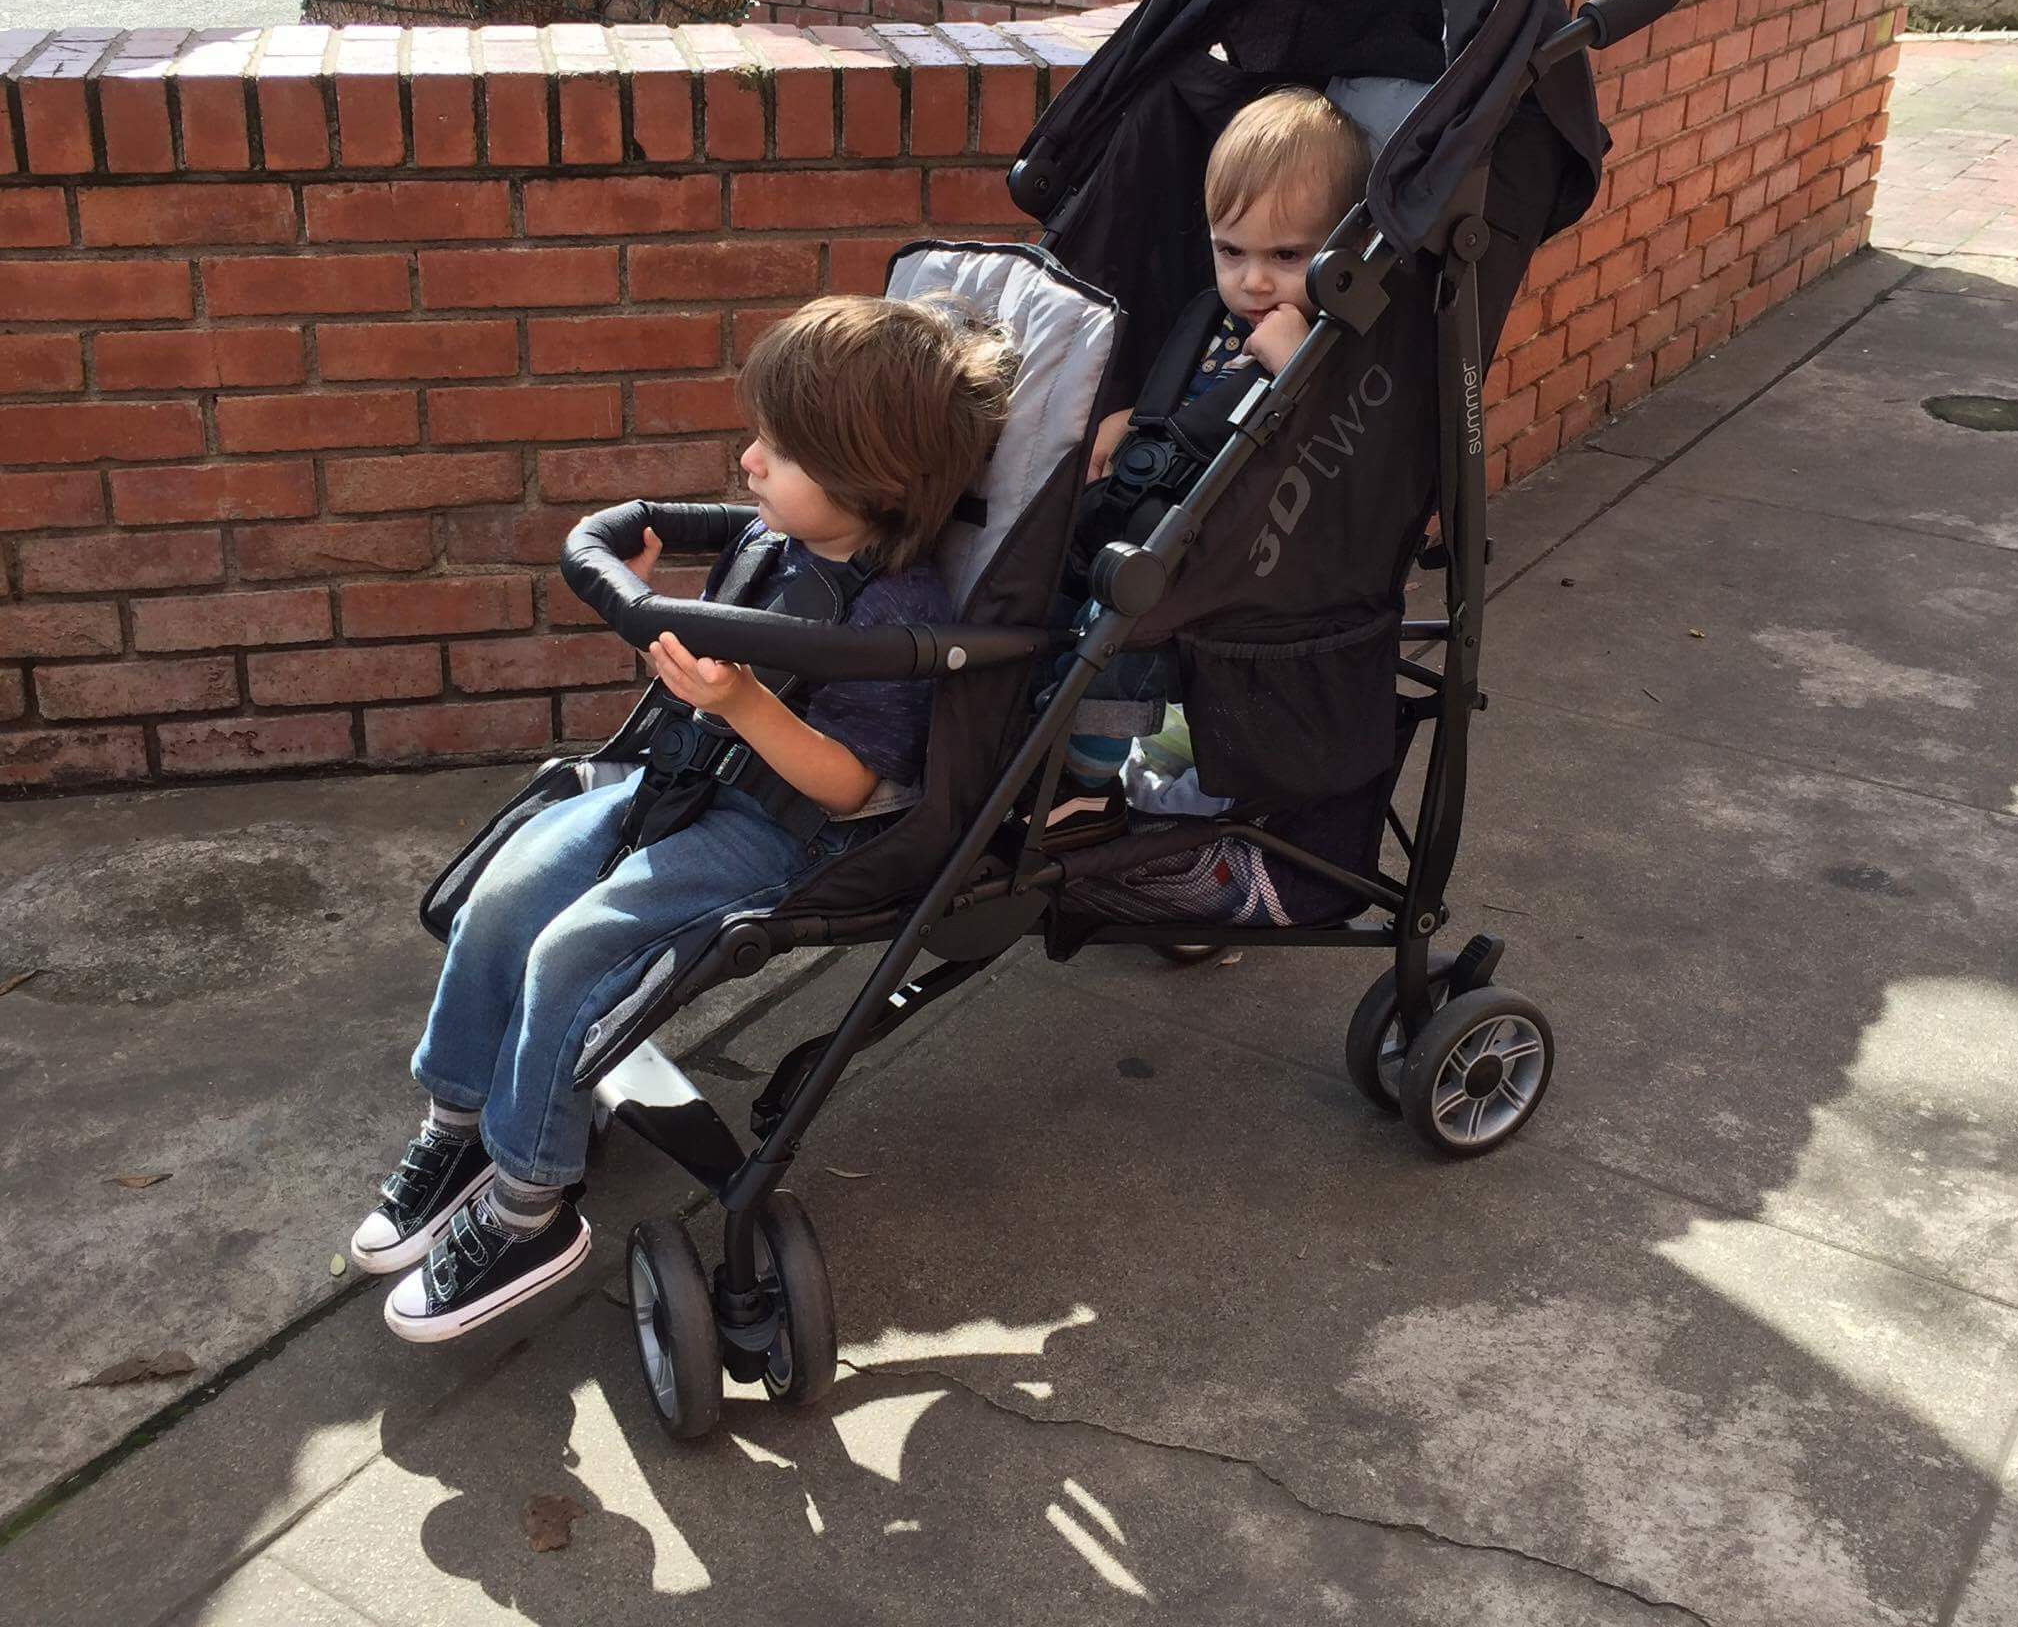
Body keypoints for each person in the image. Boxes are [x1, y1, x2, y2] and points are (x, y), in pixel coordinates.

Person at [352, 295, 1013, 1342]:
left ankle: (529, 1204)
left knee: (574, 950)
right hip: (672, 777)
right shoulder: (777, 537)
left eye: (779, 449)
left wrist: (742, 704)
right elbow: (716, 652)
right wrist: (667, 625)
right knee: (511, 886)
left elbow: (848, 785)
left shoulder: (899, 613)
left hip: (770, 829)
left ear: (872, 480)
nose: (749, 462)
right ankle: (461, 1120)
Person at [1041, 85, 1373, 839]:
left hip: (1253, 568)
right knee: (1049, 572)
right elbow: (1189, 404)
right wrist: (1133, 423)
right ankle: (1029, 730)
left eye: (1288, 255)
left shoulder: (1342, 353)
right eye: (1232, 251)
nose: (1254, 281)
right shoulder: (1211, 319)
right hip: (1169, 524)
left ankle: (1086, 781)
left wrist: (1299, 384)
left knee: (1120, 616)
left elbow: (1338, 477)